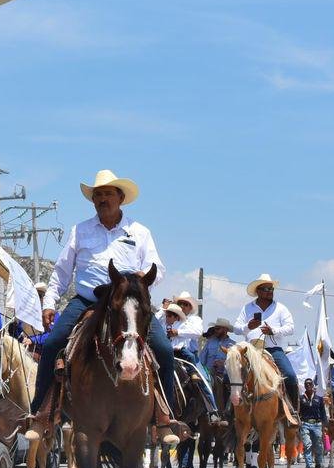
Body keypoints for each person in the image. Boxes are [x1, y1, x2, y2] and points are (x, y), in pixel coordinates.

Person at [27, 169, 183, 444]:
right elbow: (62, 272)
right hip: (89, 299)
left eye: (108, 194)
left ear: (120, 198)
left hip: (128, 301)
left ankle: (164, 418)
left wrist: (136, 282)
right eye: (98, 195)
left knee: (164, 350)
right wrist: (49, 302)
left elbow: (157, 270)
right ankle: (40, 414)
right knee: (52, 345)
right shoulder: (80, 230)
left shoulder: (140, 232)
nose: (102, 199)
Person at [234, 274, 299, 422]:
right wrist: (247, 327)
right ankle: (228, 411)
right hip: (251, 351)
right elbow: (237, 328)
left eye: (271, 288)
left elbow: (290, 328)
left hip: (273, 349)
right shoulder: (247, 308)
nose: (270, 291)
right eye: (266, 289)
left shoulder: (281, 308)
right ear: (258, 291)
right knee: (230, 376)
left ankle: (293, 411)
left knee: (291, 376)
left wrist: (274, 331)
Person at [300, 377, 327, 468]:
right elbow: (298, 412)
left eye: (310, 384)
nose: (308, 386)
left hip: (317, 424)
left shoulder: (319, 399)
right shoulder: (301, 399)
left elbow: (323, 413)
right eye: (306, 384)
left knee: (319, 445)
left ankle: (318, 463)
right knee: (307, 445)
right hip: (305, 424)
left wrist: (324, 425)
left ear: (313, 386)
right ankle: (309, 467)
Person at [168, 292, 204, 359]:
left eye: (185, 304)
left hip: (189, 353)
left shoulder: (195, 319)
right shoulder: (174, 319)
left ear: (190, 307)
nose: (182, 306)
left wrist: (178, 332)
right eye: (180, 303)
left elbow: (197, 332)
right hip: (171, 351)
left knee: (194, 367)